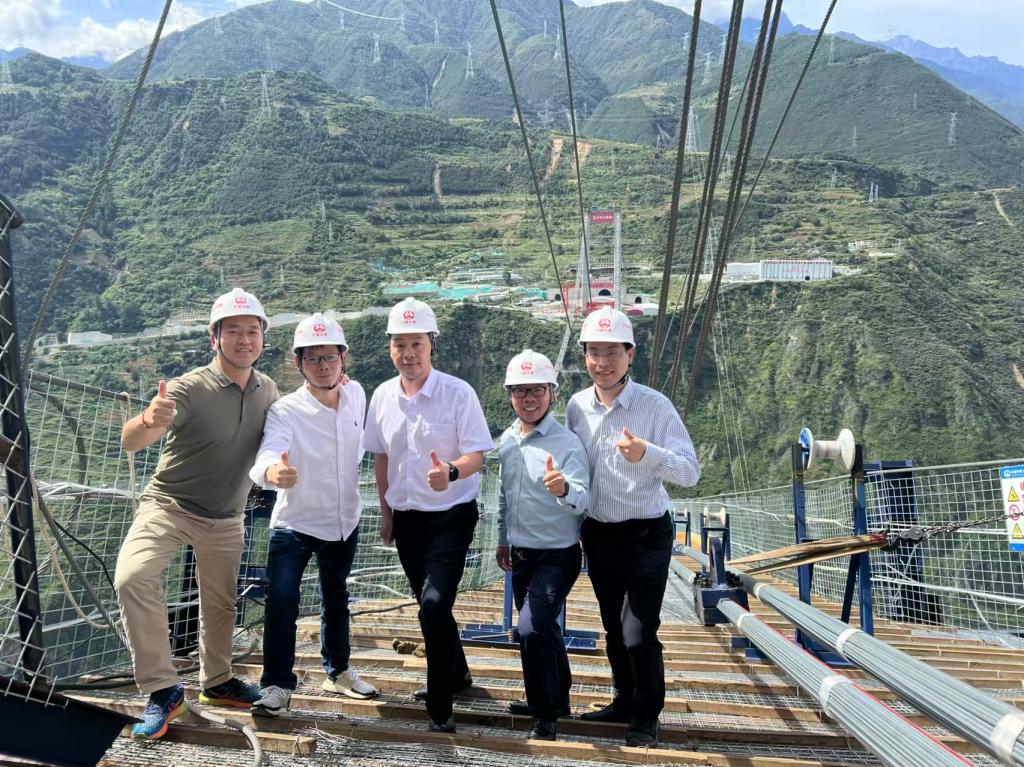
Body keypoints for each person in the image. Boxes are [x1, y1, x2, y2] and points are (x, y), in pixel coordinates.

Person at [115, 288, 279, 740]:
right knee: (133, 577)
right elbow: (131, 441)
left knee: (221, 603)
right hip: (169, 505)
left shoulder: (268, 390)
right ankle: (163, 689)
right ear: (214, 338)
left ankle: (218, 682)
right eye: (233, 331)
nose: (244, 339)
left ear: (263, 339)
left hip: (227, 516)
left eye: (252, 331)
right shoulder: (188, 387)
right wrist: (148, 420)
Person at [565, 306, 701, 747]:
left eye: (611, 352)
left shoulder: (654, 406)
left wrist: (648, 454)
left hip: (646, 533)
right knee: (612, 625)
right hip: (599, 532)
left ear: (630, 355)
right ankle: (624, 700)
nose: (602, 362)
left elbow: (690, 472)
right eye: (593, 352)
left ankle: (647, 715)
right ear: (584, 356)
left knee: (638, 628)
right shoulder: (576, 408)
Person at [363, 297, 493, 733]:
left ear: (431, 344)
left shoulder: (458, 393)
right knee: (430, 604)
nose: (408, 353)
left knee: (434, 605)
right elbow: (382, 457)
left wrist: (451, 471)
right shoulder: (383, 396)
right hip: (408, 520)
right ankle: (458, 672)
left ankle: (440, 704)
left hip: (451, 515)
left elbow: (478, 454)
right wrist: (386, 513)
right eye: (399, 344)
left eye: (416, 343)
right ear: (390, 348)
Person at [248, 313, 378, 717]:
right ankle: (276, 686)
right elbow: (268, 454)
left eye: (330, 357)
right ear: (298, 362)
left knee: (336, 596)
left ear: (344, 357)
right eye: (313, 358)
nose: (323, 366)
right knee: (282, 600)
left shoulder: (356, 395)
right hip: (296, 523)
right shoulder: (286, 410)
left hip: (343, 519)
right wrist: (274, 473)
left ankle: (337, 671)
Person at [495, 349, 589, 742]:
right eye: (520, 391)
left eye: (536, 390)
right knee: (543, 628)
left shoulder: (567, 444)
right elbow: (504, 495)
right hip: (521, 554)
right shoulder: (507, 441)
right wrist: (502, 539)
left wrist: (563, 488)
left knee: (530, 629)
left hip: (558, 554)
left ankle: (544, 714)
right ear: (510, 396)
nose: (528, 398)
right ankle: (558, 699)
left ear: (552, 393)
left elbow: (583, 498)